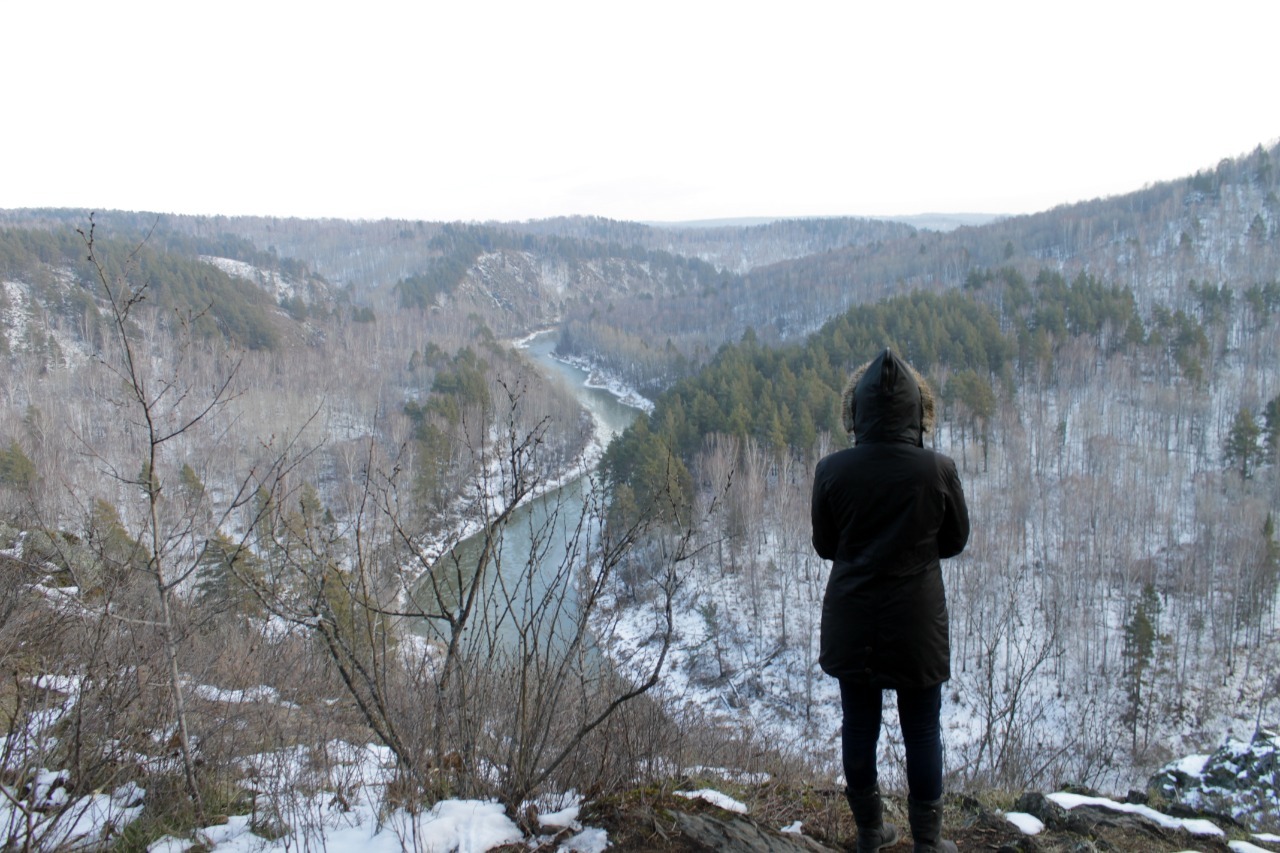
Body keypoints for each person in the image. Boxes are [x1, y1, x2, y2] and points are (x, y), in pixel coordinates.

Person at [811, 348, 970, 853]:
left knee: (858, 725)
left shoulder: (831, 470)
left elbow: (824, 545)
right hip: (917, 621)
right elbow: (955, 541)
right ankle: (928, 843)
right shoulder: (937, 469)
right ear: (916, 414)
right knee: (922, 730)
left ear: (855, 413)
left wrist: (862, 553)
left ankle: (869, 835)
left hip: (853, 617)